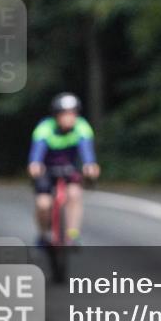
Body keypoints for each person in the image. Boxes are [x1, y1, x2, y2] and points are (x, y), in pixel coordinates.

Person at [27, 93, 100, 246]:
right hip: (46, 169)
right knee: (43, 204)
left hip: (70, 167)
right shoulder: (45, 127)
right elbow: (37, 151)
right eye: (64, 114)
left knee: (74, 194)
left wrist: (90, 164)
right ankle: (43, 234)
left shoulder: (82, 126)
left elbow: (87, 149)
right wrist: (34, 163)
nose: (69, 118)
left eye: (72, 114)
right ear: (56, 116)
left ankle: (72, 234)